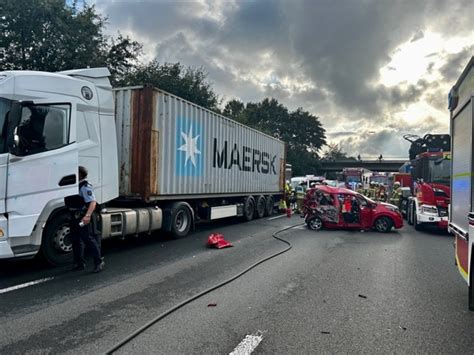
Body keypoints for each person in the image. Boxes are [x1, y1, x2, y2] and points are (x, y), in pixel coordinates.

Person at [68, 166, 104, 273]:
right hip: (74, 216)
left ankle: (98, 262)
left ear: (80, 174)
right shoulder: (74, 186)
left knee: (87, 239)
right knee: (75, 240)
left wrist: (87, 216)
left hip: (83, 216)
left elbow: (92, 202)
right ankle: (79, 263)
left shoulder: (85, 187)